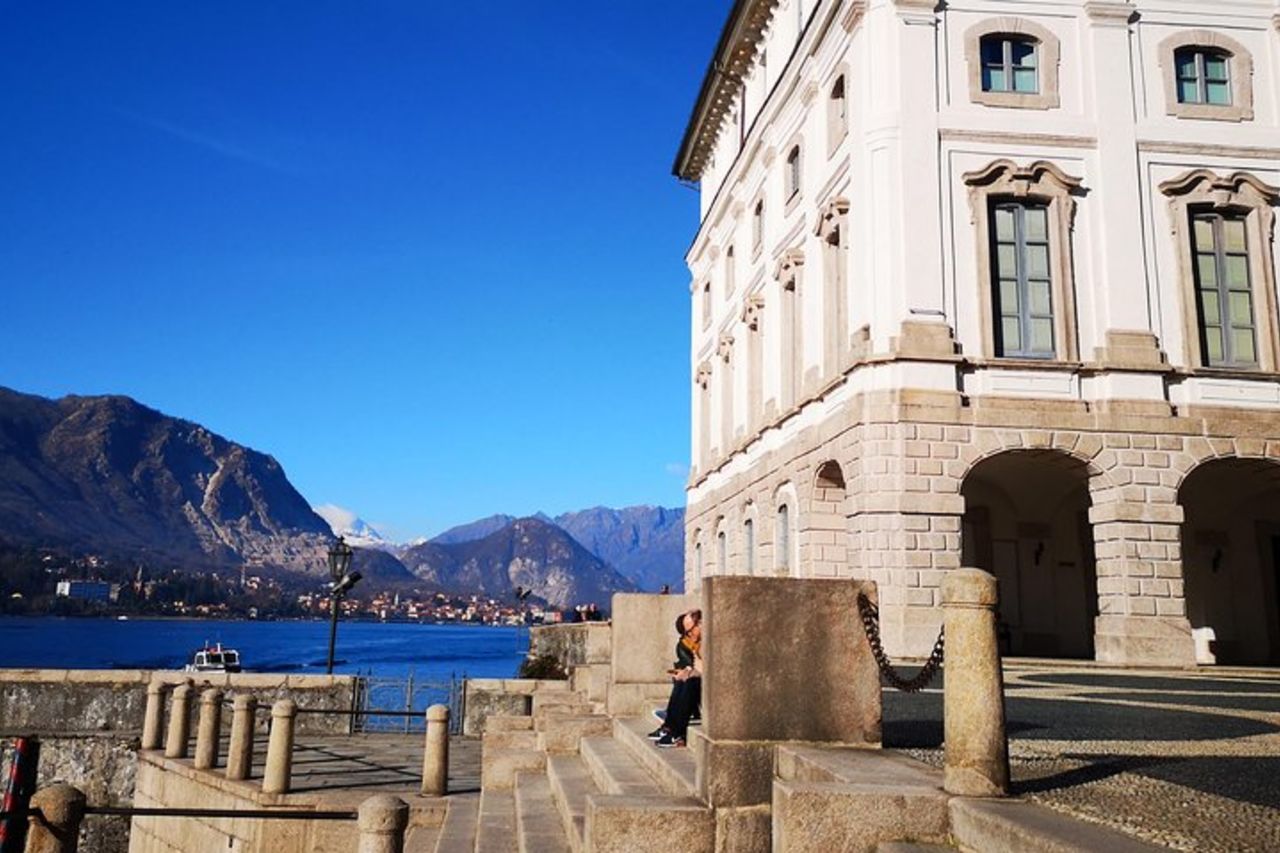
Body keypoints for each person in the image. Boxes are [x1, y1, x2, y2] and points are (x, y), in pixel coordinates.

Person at [649, 609, 702, 748]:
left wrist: (690, 672)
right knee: (682, 681)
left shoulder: (708, 642)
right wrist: (687, 672)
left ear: (700, 624)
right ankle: (670, 727)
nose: (689, 634)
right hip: (703, 682)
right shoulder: (694, 643)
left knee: (690, 682)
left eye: (690, 630)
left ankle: (678, 733)